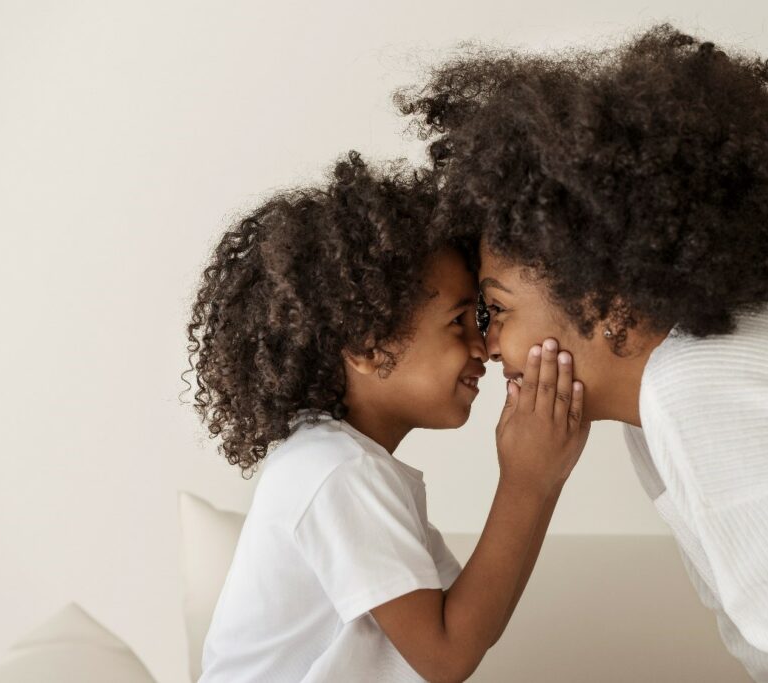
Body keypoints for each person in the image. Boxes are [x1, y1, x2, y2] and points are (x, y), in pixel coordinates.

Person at [400, 23, 768, 681]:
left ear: (611, 303)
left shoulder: (704, 393)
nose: (487, 345)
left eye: (496, 310)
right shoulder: (690, 387)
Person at [185, 151, 589, 682]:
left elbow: (471, 617)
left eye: (485, 318)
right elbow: (446, 657)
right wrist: (526, 480)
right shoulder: (339, 471)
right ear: (367, 346)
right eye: (459, 321)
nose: (485, 346)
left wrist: (545, 475)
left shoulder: (341, 462)